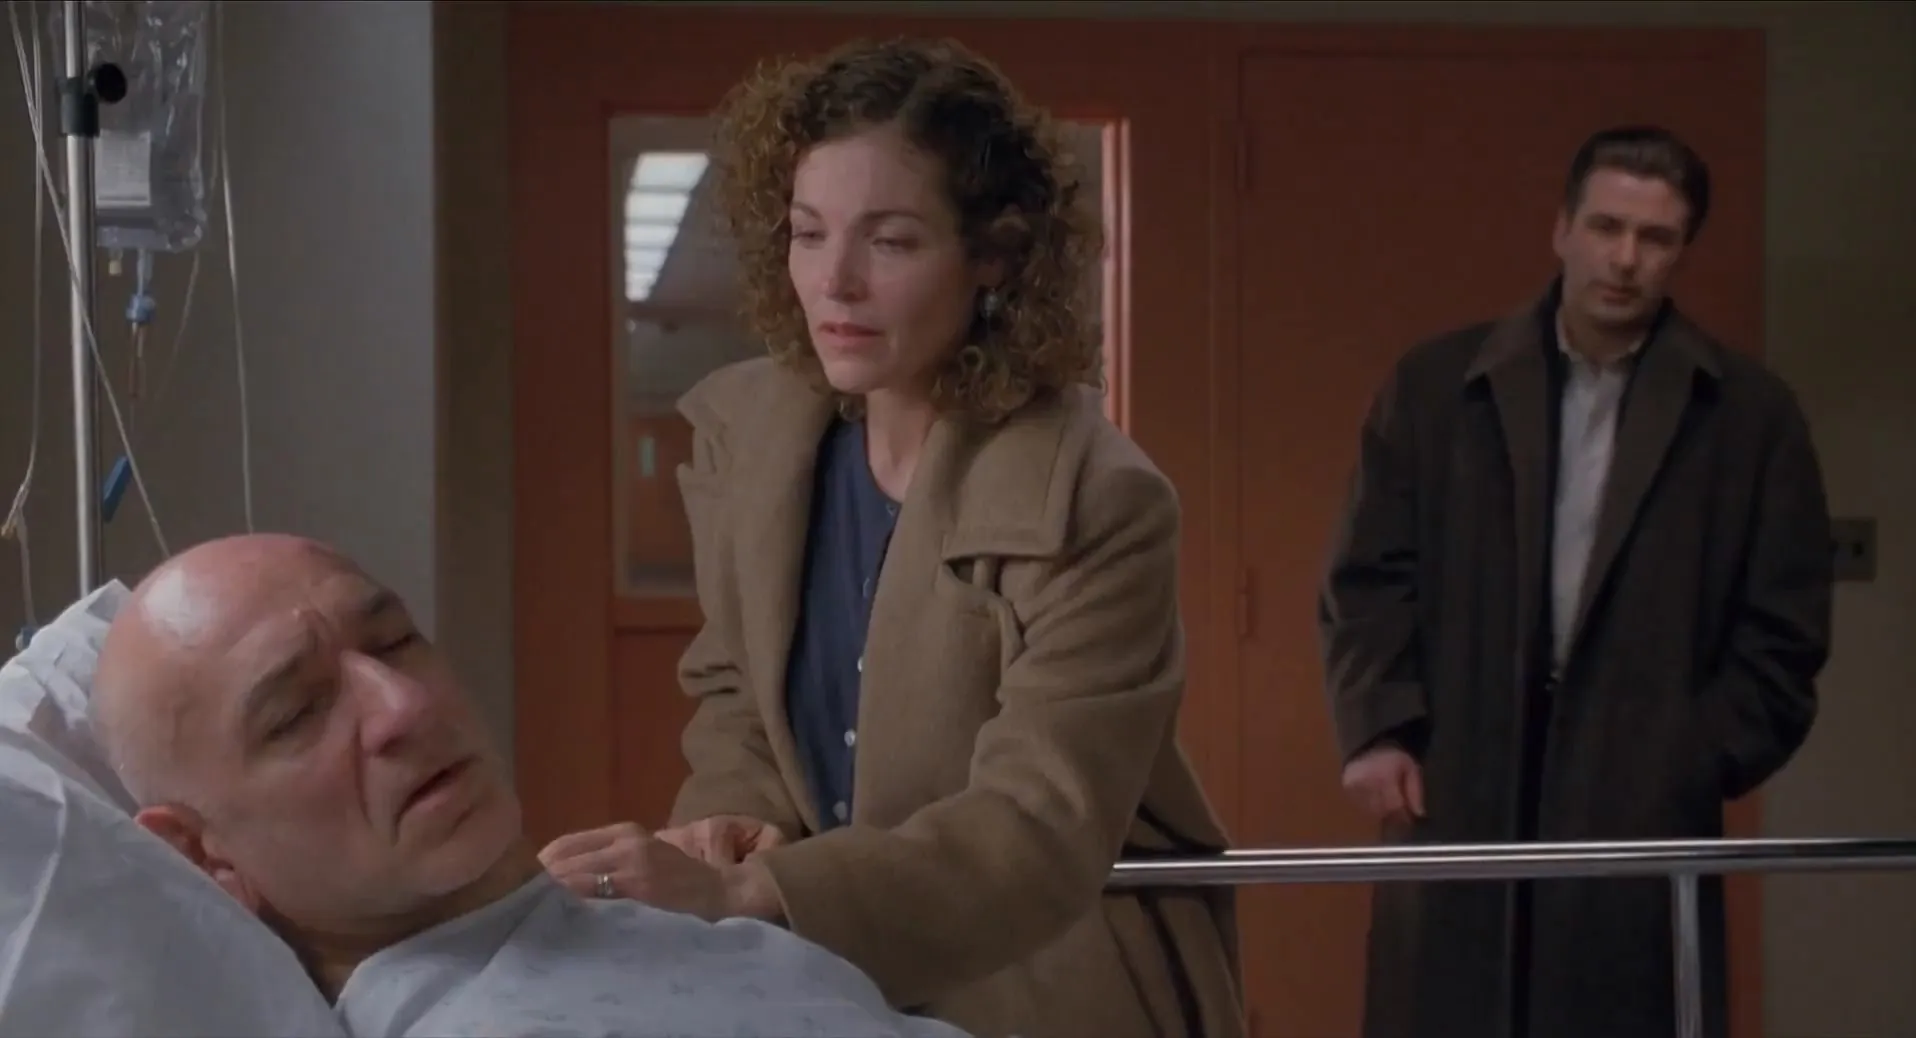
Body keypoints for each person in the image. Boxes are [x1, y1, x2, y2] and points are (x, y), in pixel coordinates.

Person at [537, 37, 1243, 1038]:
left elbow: (1037, 823)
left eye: (892, 242)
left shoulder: (1096, 497)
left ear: (994, 254)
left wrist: (757, 893)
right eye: (807, 233)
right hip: (816, 986)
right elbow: (736, 695)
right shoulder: (750, 445)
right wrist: (731, 822)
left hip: (1046, 981)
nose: (835, 282)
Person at [1319, 124, 1834, 1038]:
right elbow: (1367, 577)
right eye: (1606, 227)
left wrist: (1690, 760)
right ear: (1562, 229)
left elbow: (1784, 634)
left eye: (1655, 237)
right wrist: (1378, 727)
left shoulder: (1750, 418)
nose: (1625, 259)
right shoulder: (1436, 388)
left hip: (1639, 797)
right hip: (1456, 776)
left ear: (1681, 251)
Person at [87, 533, 971, 1038]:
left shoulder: (631, 923)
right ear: (203, 857)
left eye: (394, 642)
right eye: (298, 713)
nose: (404, 707)